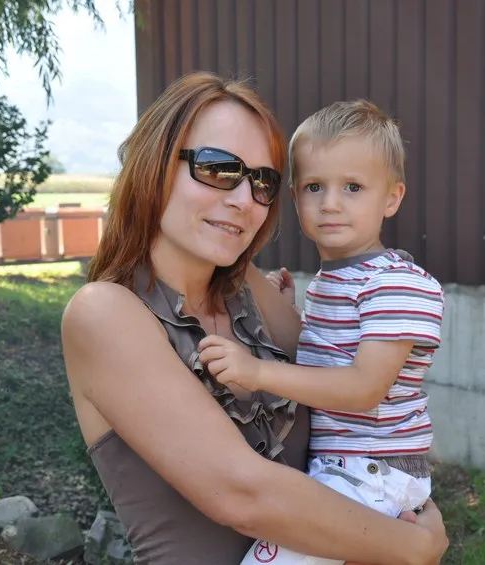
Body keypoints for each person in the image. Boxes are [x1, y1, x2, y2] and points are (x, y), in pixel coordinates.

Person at [61, 71, 448, 565]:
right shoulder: (105, 313)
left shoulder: (251, 293)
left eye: (262, 181)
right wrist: (415, 546)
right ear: (155, 165)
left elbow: (355, 390)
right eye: (218, 167)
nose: (244, 200)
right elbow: (241, 493)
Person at [198, 100, 446, 565]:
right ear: (295, 198)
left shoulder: (395, 283)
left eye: (353, 187)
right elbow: (334, 355)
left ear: (391, 198)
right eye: (315, 187)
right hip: (346, 467)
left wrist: (256, 373)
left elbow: (363, 389)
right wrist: (292, 314)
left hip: (373, 470)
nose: (330, 203)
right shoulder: (335, 280)